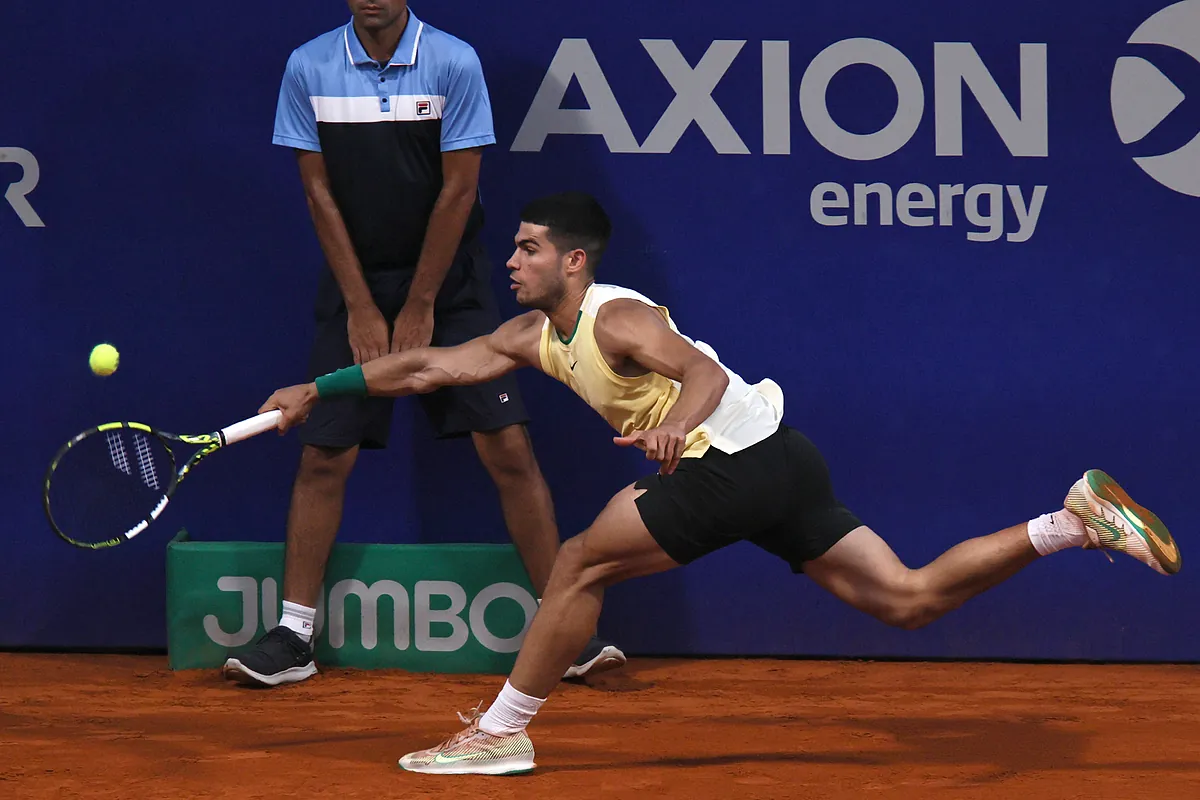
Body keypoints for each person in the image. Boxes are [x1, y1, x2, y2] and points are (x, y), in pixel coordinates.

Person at [259, 191, 1182, 774]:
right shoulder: (527, 337)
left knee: (578, 562)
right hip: (782, 459)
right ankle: (1072, 522)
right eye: (516, 248)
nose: (513, 259)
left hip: (728, 457)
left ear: (574, 260)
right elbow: (423, 370)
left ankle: (504, 728)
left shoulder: (619, 315)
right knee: (906, 600)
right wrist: (322, 387)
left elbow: (698, 374)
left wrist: (674, 426)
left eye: (531, 247)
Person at [222, 2, 625, 687]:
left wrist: (420, 301)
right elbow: (317, 192)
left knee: (507, 447)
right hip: (356, 279)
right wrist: (359, 303)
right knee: (324, 451)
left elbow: (459, 189)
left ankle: (565, 628)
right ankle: (294, 638)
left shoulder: (451, 61)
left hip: (451, 283)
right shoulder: (309, 65)